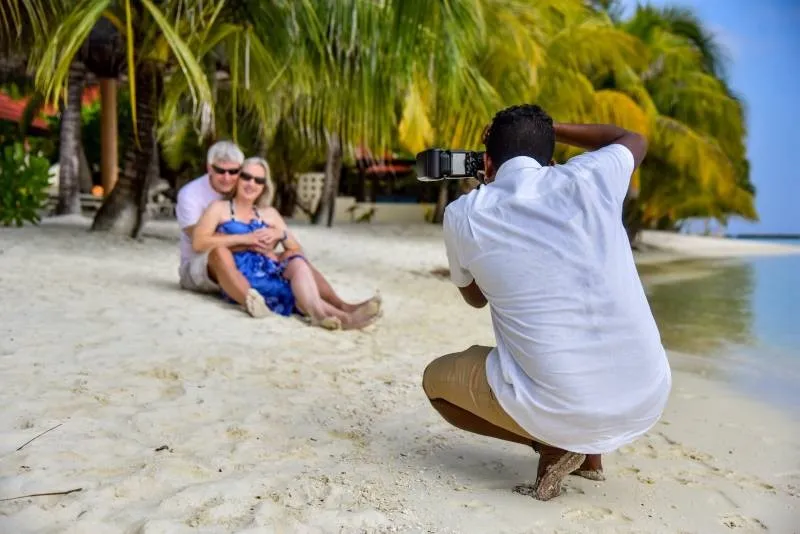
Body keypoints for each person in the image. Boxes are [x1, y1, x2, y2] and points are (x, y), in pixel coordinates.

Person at [421, 104, 672, 501]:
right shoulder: (591, 179)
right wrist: (550, 128)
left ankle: (554, 445)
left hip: (569, 405)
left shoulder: (465, 214)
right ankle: (589, 454)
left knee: (435, 382)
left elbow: (474, 298)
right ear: (551, 159)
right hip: (645, 393)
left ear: (486, 162)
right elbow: (633, 139)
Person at [175, 141, 380, 318]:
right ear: (209, 168)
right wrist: (248, 240)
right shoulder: (193, 196)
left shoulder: (263, 210)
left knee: (293, 257)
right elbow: (200, 242)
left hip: (249, 263)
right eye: (221, 171)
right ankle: (252, 301)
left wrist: (278, 238)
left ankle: (340, 306)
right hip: (198, 264)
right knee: (220, 252)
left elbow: (295, 248)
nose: (228, 177)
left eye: (234, 172)